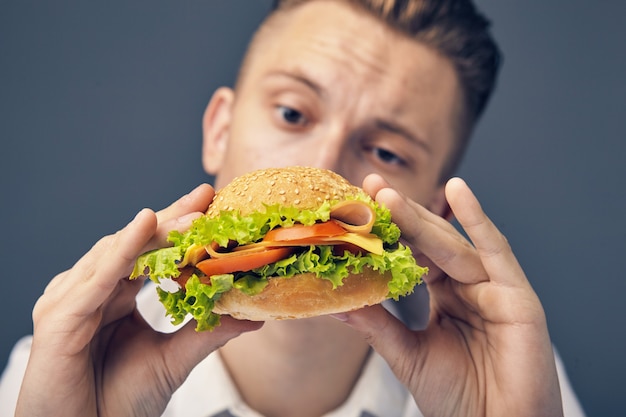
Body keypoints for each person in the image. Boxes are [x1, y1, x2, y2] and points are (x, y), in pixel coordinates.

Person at [0, 0, 586, 416]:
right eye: (291, 113)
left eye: (386, 150)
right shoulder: (63, 367)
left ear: (432, 210)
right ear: (219, 130)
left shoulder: (509, 380)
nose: (325, 164)